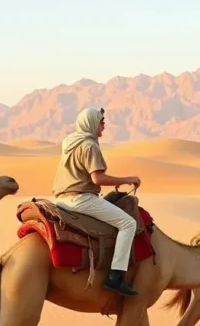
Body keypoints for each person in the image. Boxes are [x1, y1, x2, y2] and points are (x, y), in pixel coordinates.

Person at [52, 107, 141, 296]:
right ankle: (115, 277)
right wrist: (127, 179)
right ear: (91, 123)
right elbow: (98, 179)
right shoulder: (89, 145)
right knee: (128, 223)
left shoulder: (70, 142)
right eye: (101, 121)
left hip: (61, 200)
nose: (104, 125)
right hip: (81, 199)